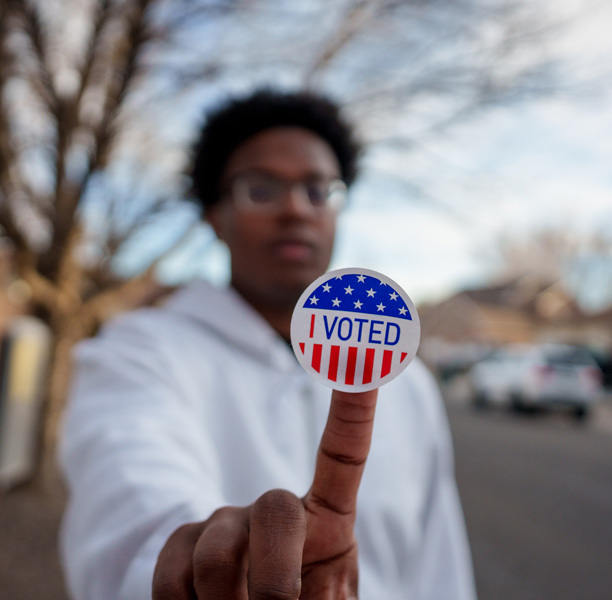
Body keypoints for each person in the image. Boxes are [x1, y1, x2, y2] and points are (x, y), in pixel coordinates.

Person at [59, 89, 476, 599]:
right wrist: (204, 565)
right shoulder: (138, 354)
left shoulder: (406, 385)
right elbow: (129, 501)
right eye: (261, 189)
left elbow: (440, 569)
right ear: (214, 216)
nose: (296, 209)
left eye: (319, 190)